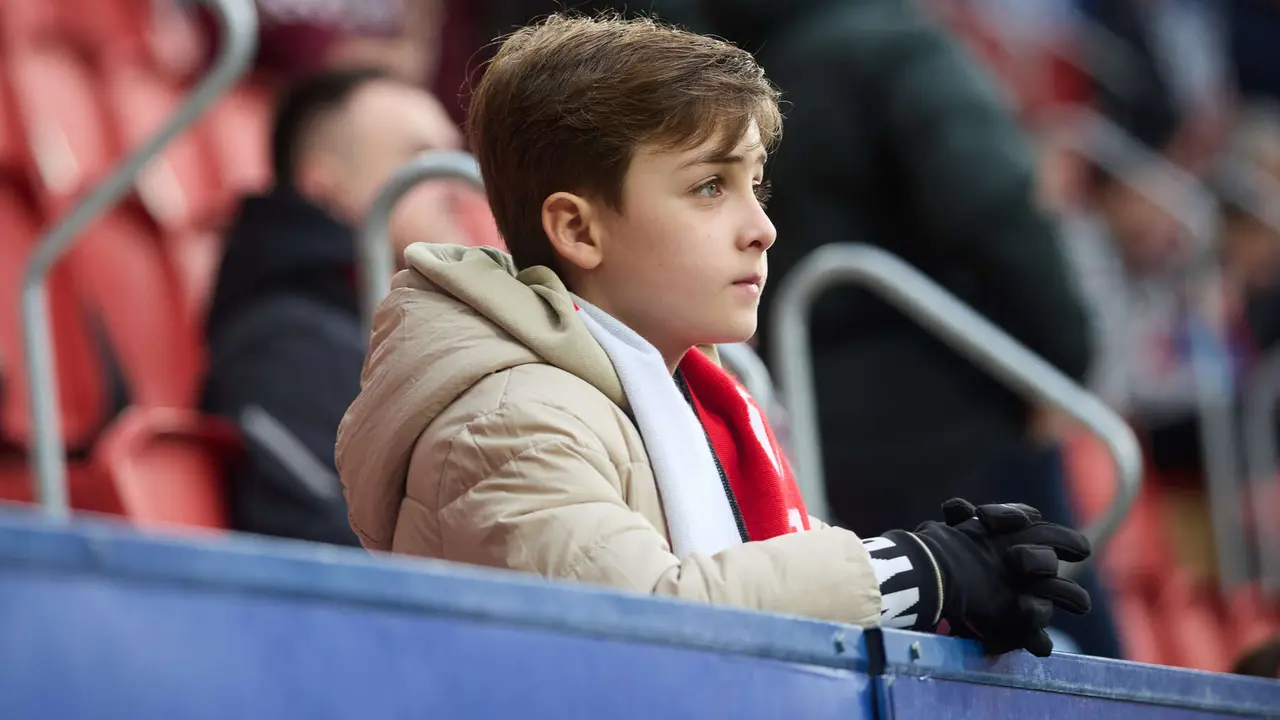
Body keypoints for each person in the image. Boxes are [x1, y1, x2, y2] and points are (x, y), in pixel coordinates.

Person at [336, 14, 1093, 657]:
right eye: (709, 187)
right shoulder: (505, 422)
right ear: (576, 227)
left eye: (754, 186)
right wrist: (910, 572)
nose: (761, 229)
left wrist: (946, 604)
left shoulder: (694, 401)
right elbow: (653, 627)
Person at [202, 67, 488, 545]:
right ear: (323, 187)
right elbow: (326, 549)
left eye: (452, 153)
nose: (455, 184)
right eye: (419, 157)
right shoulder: (283, 346)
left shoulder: (409, 328)